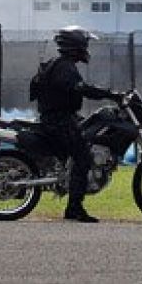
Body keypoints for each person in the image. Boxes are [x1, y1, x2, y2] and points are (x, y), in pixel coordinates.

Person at [30, 26, 121, 223]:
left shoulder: (60, 64)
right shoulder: (65, 67)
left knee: (87, 138)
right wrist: (110, 94)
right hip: (59, 121)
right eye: (85, 44)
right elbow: (82, 89)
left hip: (60, 118)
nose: (87, 49)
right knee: (83, 158)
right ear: (76, 46)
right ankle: (74, 208)